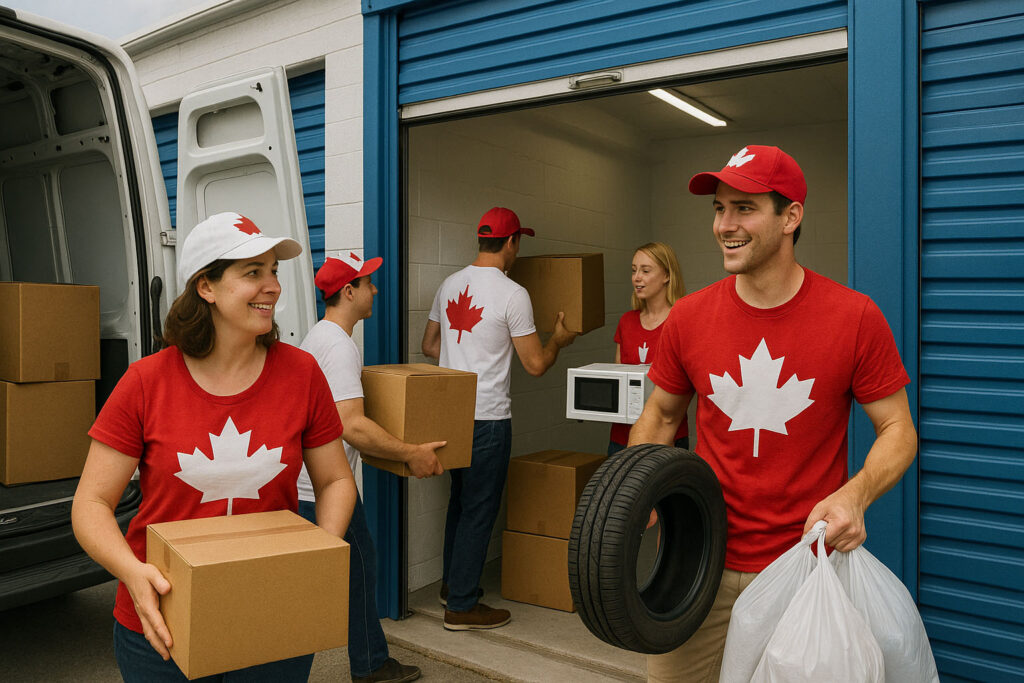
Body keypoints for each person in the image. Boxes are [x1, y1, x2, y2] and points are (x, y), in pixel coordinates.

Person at [629, 146, 918, 682]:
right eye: (719, 209)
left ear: (791, 217)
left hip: (802, 569)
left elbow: (898, 430)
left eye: (744, 208)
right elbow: (662, 415)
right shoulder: (689, 317)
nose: (724, 225)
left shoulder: (854, 317)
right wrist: (635, 489)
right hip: (697, 561)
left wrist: (856, 495)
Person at [71, 212, 358, 682]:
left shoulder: (302, 374)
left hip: (273, 610)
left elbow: (336, 480)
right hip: (163, 618)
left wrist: (318, 553)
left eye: (274, 272)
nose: (273, 287)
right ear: (206, 287)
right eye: (253, 273)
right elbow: (91, 503)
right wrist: (131, 572)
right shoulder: (145, 382)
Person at [420, 206, 577, 631]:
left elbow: (430, 345)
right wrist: (558, 340)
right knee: (480, 510)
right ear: (512, 243)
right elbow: (536, 364)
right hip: (488, 418)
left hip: (451, 416)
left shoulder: (450, 284)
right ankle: (462, 606)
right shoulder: (512, 293)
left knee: (460, 503)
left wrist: (464, 354)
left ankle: (453, 587)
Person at [295, 253, 444, 683]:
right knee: (359, 570)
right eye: (368, 283)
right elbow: (350, 424)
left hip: (310, 482)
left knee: (347, 572)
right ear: (348, 291)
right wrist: (410, 452)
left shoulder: (320, 336)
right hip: (320, 488)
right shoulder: (339, 345)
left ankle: (365, 660)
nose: (375, 290)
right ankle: (371, 665)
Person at [609, 242, 688, 455]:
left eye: (645, 271)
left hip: (668, 438)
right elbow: (618, 382)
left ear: (667, 275)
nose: (637, 278)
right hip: (622, 438)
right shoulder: (626, 322)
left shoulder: (681, 321)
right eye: (634, 270)